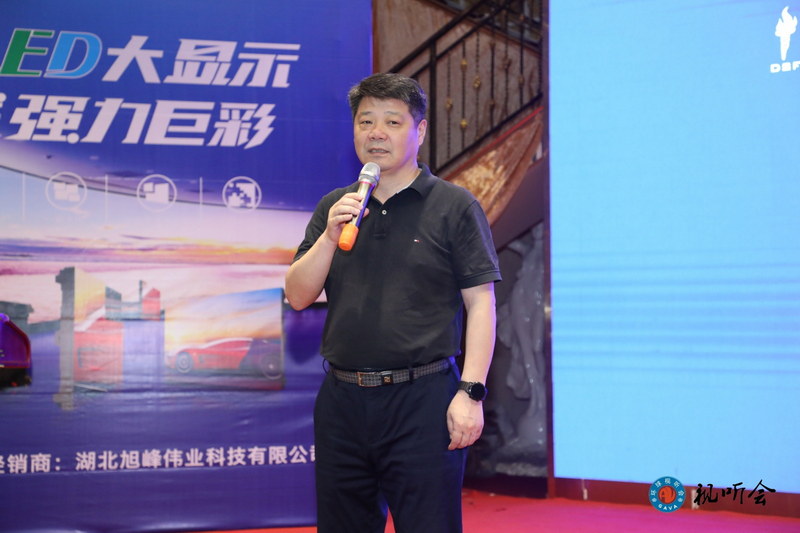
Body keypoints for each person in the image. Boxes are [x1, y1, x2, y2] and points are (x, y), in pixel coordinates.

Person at [285, 72, 501, 533]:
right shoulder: (335, 207)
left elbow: (481, 303)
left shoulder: (454, 206)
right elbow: (298, 296)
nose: (376, 133)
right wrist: (328, 237)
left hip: (423, 400)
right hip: (343, 401)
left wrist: (471, 393)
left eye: (392, 122)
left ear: (419, 131)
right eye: (366, 122)